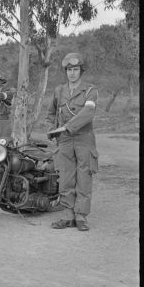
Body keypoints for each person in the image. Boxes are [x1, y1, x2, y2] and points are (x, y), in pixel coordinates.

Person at [46, 52, 98, 231]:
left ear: (81, 70)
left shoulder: (91, 90)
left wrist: (66, 127)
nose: (72, 73)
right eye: (69, 69)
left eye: (75, 69)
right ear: (65, 71)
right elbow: (50, 113)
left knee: (84, 177)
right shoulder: (59, 91)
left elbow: (88, 113)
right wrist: (52, 129)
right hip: (65, 140)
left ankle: (81, 216)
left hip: (84, 138)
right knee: (66, 176)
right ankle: (68, 215)